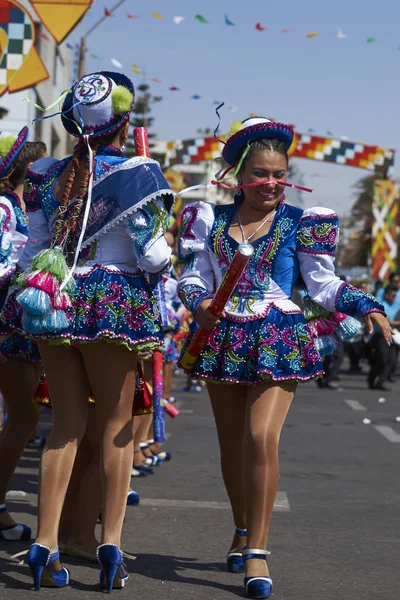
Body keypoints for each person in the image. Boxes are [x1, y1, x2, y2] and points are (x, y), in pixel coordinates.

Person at [177, 116, 391, 599]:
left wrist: (367, 304)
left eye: (279, 174)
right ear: (237, 176)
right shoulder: (208, 221)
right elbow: (192, 276)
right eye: (261, 174)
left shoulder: (304, 222)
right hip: (224, 338)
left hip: (279, 335)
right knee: (232, 447)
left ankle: (258, 549)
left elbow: (324, 284)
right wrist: (200, 302)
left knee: (260, 435)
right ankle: (240, 526)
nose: (271, 184)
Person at [2, 71, 173, 591]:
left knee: (65, 426)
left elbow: (31, 248)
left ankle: (46, 541)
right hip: (113, 301)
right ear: (125, 121)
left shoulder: (48, 174)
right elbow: (152, 255)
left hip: (56, 299)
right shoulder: (140, 172)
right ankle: (111, 542)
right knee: (117, 429)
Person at [0, 132, 47, 541]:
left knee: (25, 417)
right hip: (4, 324)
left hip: (16, 323)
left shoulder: (22, 207)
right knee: (25, 417)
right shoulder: (4, 208)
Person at [367, 285, 400, 390]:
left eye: (395, 296)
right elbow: (385, 321)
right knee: (383, 359)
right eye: (392, 296)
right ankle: (371, 379)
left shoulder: (397, 305)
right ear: (386, 295)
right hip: (380, 336)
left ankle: (381, 382)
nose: (394, 298)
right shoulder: (381, 305)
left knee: (392, 361)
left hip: (393, 335)